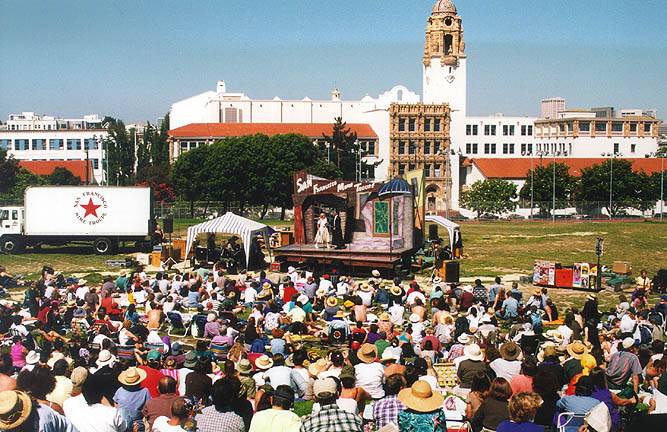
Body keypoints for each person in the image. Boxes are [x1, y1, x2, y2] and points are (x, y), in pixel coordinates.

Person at [114, 367, 151, 432]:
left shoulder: (120, 390)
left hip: (122, 423)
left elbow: (116, 405)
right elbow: (148, 408)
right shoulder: (145, 391)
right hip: (137, 423)